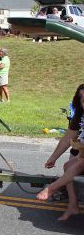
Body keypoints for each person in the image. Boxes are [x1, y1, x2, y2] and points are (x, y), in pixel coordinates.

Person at [37, 84, 84, 220]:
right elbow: (67, 139)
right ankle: (73, 206)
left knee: (80, 164)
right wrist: (53, 158)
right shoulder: (80, 116)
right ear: (80, 104)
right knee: (68, 166)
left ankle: (51, 188)